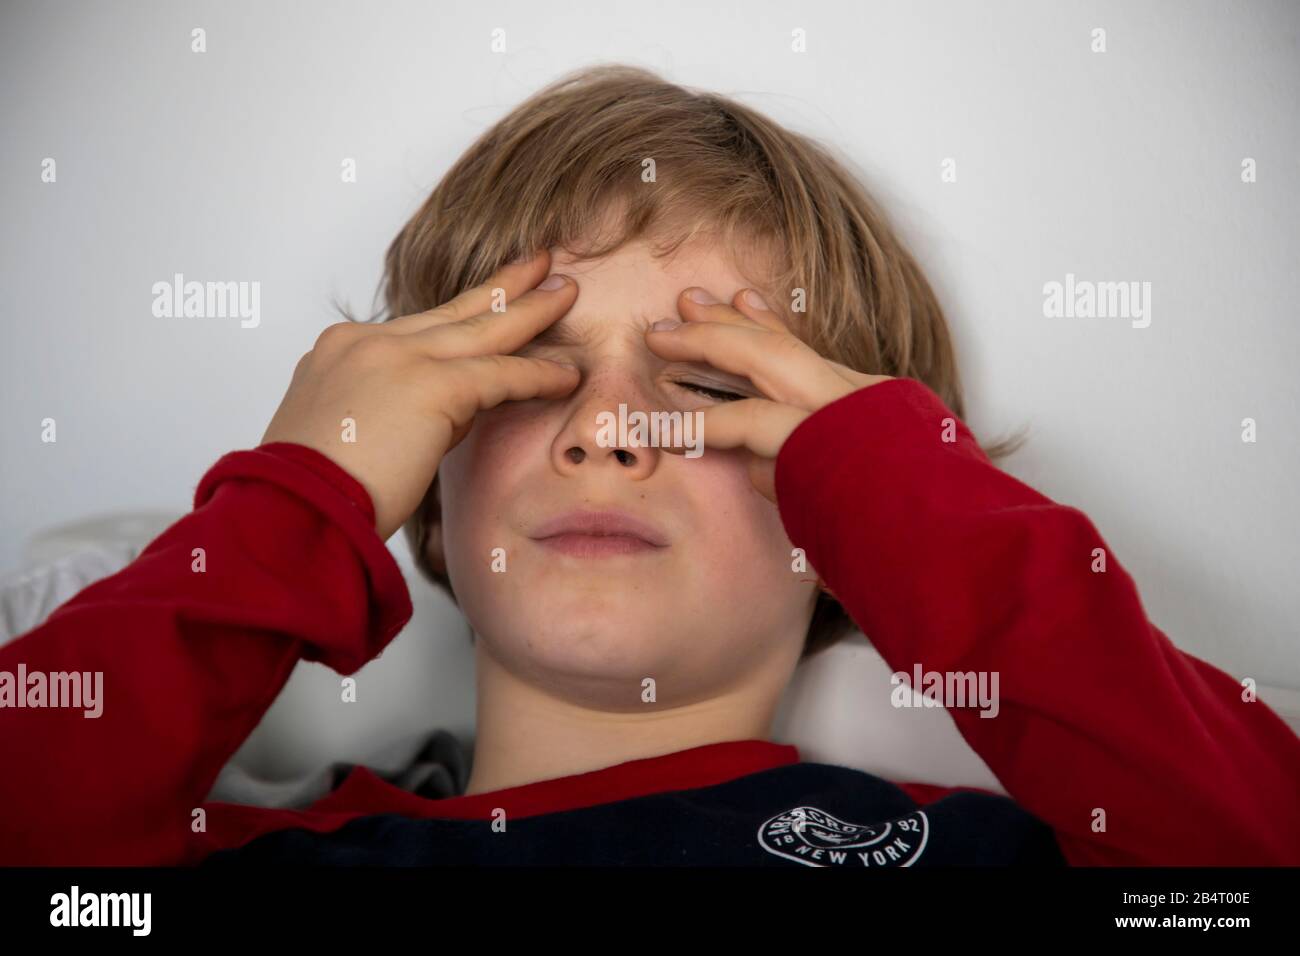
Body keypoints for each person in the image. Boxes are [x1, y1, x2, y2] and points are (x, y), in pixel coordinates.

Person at [2, 65, 1297, 867]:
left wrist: (914, 505)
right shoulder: (220, 854)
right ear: (424, 483)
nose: (612, 428)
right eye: (535, 370)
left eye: (713, 387)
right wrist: (298, 503)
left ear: (850, 526)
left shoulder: (980, 856)